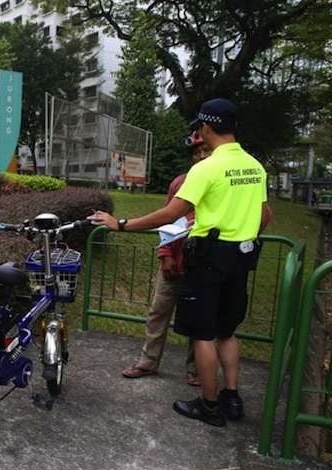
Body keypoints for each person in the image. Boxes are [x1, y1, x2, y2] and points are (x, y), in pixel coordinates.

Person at [88, 98, 271, 427]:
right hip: (241, 258)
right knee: (226, 332)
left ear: (205, 127)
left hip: (208, 259)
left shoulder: (206, 168)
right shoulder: (254, 166)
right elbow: (263, 215)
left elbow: (171, 213)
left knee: (202, 334)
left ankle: (210, 405)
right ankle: (232, 399)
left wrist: (122, 223)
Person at [122, 132, 211, 385]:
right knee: (158, 311)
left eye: (206, 150)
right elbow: (167, 219)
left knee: (198, 318)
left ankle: (195, 369)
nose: (201, 156)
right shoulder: (180, 183)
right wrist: (165, 256)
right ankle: (147, 361)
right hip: (175, 260)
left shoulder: (219, 184)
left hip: (204, 264)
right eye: (196, 152)